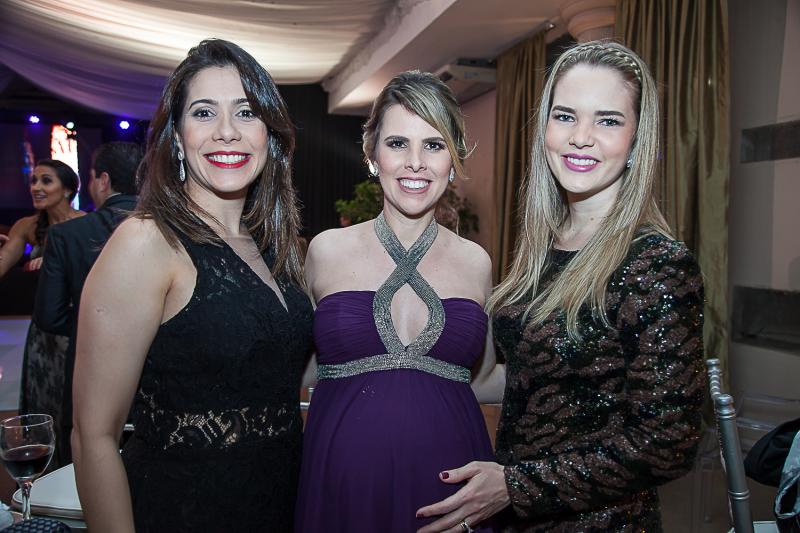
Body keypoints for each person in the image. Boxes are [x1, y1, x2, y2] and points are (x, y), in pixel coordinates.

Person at [416, 41, 705, 532]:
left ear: (637, 139)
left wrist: (515, 485)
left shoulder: (658, 264)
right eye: (566, 116)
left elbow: (668, 444)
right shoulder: (544, 250)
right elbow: (531, 376)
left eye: (608, 120)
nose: (581, 138)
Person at [71, 39, 313, 532]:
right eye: (204, 113)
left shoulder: (279, 247)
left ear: (268, 134)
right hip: (183, 511)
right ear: (178, 139)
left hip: (280, 505)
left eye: (246, 112)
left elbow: (277, 370)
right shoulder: (146, 241)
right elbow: (93, 436)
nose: (227, 131)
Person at [294, 71, 503, 533]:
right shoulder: (326, 251)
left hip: (452, 489)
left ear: (454, 158)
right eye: (397, 144)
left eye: (434, 145)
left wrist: (578, 379)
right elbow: (295, 370)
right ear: (372, 154)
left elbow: (485, 378)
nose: (416, 163)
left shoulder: (476, 262)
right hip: (342, 485)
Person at [33, 141, 143, 469]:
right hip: (155, 375)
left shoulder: (68, 235)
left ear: (103, 180)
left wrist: (93, 324)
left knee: (89, 464)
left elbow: (49, 316)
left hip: (91, 369)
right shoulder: (170, 230)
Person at [0, 160, 84, 453]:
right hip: (43, 333)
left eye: (46, 181)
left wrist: (53, 263)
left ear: (68, 189)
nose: (36, 187)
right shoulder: (27, 226)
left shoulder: (85, 224)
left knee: (75, 403)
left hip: (76, 327)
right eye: (34, 180)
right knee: (45, 403)